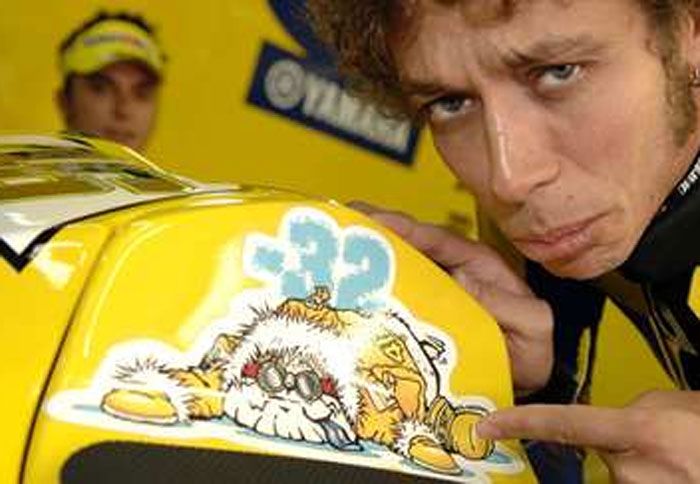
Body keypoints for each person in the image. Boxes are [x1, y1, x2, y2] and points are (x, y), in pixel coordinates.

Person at [306, 0, 700, 482]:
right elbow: (552, 466)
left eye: (558, 73)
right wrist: (521, 393)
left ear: (692, 30)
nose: (508, 177)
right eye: (451, 103)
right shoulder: (549, 210)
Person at [55, 11, 165, 152]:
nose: (123, 110)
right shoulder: (29, 165)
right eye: (100, 88)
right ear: (65, 102)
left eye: (142, 93)